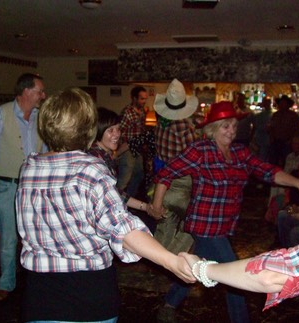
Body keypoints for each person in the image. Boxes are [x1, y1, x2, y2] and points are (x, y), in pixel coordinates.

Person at [16, 87, 195, 323]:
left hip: (40, 294)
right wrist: (172, 261)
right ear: (89, 128)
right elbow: (122, 228)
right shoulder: (89, 170)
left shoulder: (29, 168)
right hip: (88, 293)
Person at [151, 101, 299, 323]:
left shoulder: (239, 152)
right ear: (213, 128)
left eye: (234, 126)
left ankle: (170, 303)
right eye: (225, 126)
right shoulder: (201, 150)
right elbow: (166, 173)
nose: (231, 131)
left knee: (198, 264)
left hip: (225, 225)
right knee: (235, 277)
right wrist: (157, 205)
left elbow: (267, 171)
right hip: (204, 225)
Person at [0, 73, 46, 301]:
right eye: (39, 91)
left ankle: (35, 280)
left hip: (34, 187)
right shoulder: (2, 114)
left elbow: (45, 150)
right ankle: (6, 282)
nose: (42, 96)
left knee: (36, 236)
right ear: (26, 91)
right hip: (8, 185)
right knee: (8, 238)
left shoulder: (39, 117)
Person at [151, 78, 198, 254]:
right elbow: (194, 157)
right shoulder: (184, 126)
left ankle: (158, 260)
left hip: (162, 182)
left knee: (165, 226)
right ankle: (175, 262)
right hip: (183, 183)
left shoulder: (161, 123)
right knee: (191, 226)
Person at [88, 107, 157, 218]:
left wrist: (145, 207)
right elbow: (113, 194)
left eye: (118, 129)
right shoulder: (97, 159)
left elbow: (115, 191)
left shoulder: (103, 154)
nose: (117, 134)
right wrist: (145, 207)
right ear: (98, 131)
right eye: (110, 130)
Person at [117, 86, 148, 197]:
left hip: (137, 148)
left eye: (145, 99)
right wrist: (118, 151)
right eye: (141, 99)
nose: (144, 101)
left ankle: (128, 201)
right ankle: (115, 203)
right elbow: (119, 131)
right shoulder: (127, 113)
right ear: (134, 98)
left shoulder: (142, 111)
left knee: (139, 175)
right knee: (124, 179)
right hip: (127, 149)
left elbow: (141, 129)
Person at [268, 95, 299, 168]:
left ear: (288, 105)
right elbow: (271, 127)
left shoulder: (293, 116)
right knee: (273, 162)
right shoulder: (275, 115)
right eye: (280, 103)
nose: (281, 105)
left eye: (283, 103)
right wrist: (271, 138)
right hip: (276, 142)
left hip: (287, 142)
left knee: (286, 162)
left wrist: (292, 140)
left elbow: (298, 129)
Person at [251, 97, 272, 162]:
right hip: (261, 139)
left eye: (267, 102)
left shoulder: (272, 114)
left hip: (267, 140)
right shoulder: (260, 115)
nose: (266, 104)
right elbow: (256, 126)